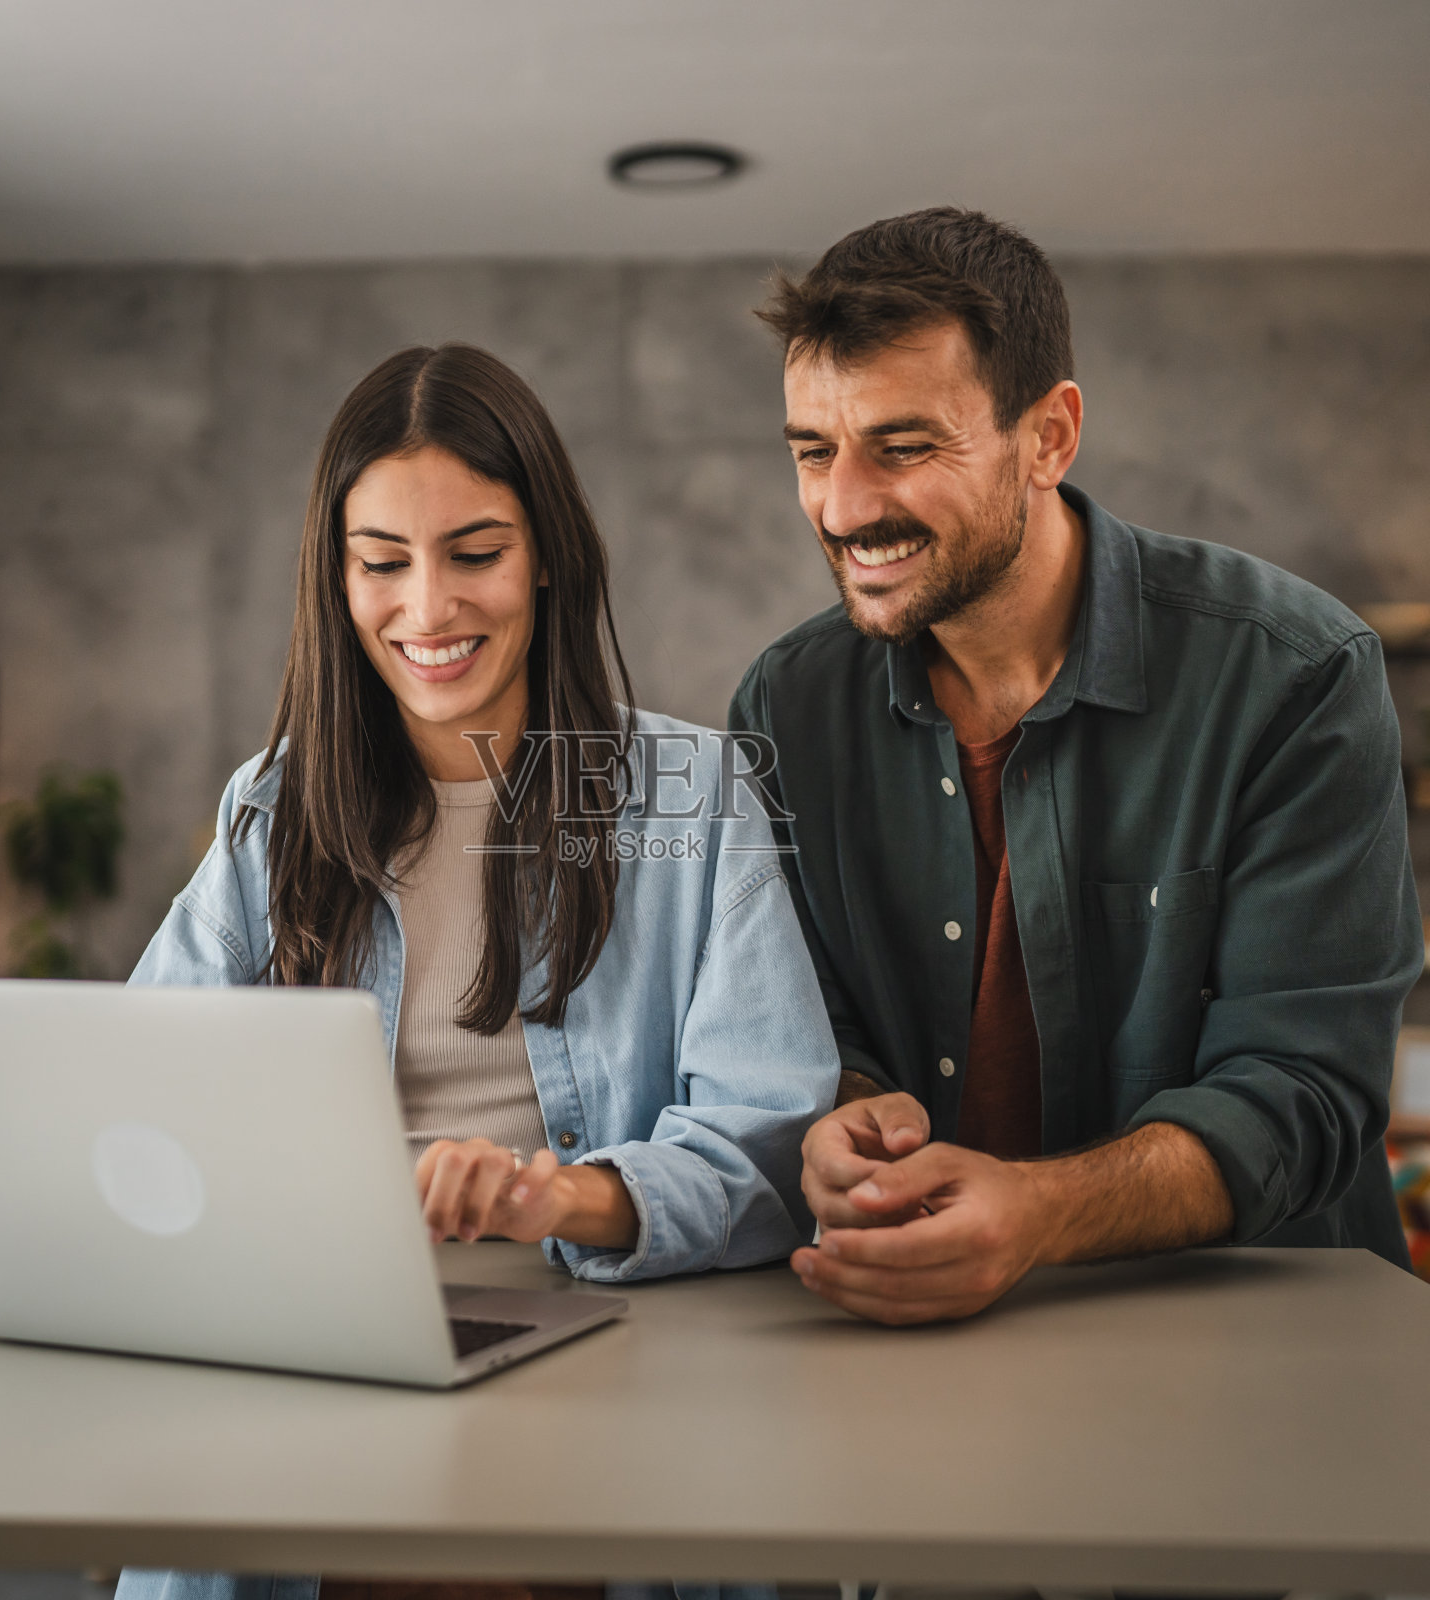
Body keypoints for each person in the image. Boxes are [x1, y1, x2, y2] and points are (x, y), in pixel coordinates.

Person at [118, 342, 839, 1600]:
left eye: (474, 552)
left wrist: (560, 1198)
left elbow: (769, 1134)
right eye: (382, 563)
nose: (428, 609)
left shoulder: (693, 792)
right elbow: (142, 1089)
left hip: (603, 1363)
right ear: (336, 577)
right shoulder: (271, 807)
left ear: (546, 550)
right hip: (324, 1364)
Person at [730, 206, 1425, 1328]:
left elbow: (1303, 1090)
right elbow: (811, 1028)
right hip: (925, 1343)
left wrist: (1038, 1211)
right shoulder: (786, 705)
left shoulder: (1294, 675)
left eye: (904, 447)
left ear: (1048, 437)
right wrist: (842, 1118)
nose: (843, 506)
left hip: (1269, 1339)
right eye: (814, 451)